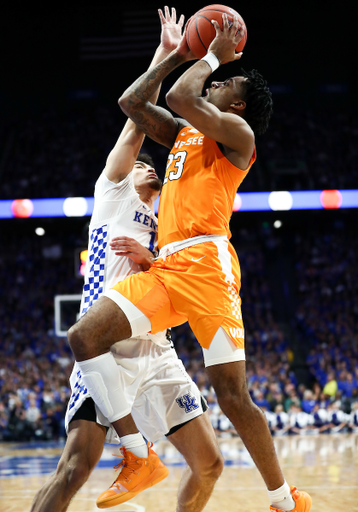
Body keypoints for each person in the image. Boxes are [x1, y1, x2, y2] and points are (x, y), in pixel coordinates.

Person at [68, 10, 312, 512]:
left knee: (231, 395)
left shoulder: (237, 137)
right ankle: (138, 454)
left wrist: (210, 55)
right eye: (219, 74)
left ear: (237, 105)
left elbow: (183, 97)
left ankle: (284, 499)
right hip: (167, 268)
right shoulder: (183, 133)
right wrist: (174, 55)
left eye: (228, 82)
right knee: (84, 336)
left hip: (209, 270)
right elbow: (132, 102)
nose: (219, 80)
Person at [31, 8, 223, 512]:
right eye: (141, 163)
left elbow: (184, 282)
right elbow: (136, 118)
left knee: (210, 465)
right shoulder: (114, 191)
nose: (145, 165)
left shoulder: (171, 222)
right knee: (74, 470)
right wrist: (169, 54)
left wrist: (152, 260)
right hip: (105, 347)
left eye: (149, 166)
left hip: (157, 352)